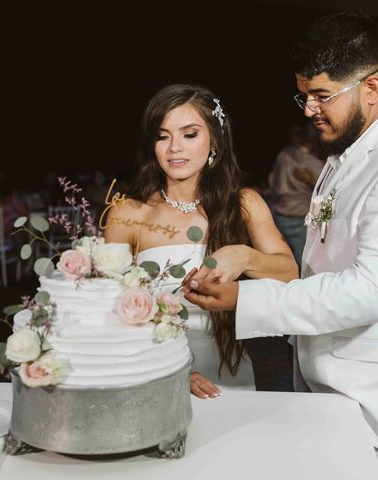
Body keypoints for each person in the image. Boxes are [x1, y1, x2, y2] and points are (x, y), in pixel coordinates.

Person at [183, 11, 378, 479]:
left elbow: (371, 292)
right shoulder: (346, 152)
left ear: (371, 88)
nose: (308, 109)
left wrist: (245, 298)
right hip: (332, 393)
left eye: (321, 96)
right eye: (304, 95)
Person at [105, 84, 297, 398]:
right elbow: (106, 310)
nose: (174, 148)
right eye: (162, 135)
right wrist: (168, 368)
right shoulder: (129, 214)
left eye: (189, 134)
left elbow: (290, 272)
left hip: (232, 377)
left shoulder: (244, 205)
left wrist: (244, 256)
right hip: (152, 374)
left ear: (214, 142)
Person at [268, 122, 324, 267]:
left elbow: (272, 180)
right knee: (303, 260)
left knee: (278, 256)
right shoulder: (315, 164)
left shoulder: (284, 154)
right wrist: (310, 181)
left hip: (278, 215)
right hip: (298, 219)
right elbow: (327, 194)